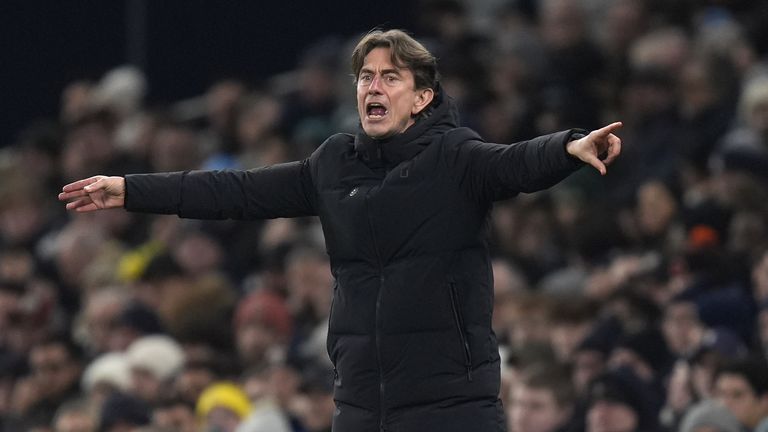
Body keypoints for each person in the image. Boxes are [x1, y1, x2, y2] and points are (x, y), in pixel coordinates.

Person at [59, 29, 622, 432]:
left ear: (421, 98)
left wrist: (569, 147)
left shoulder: (456, 155)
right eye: (365, 77)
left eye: (390, 78)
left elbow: (515, 164)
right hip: (358, 404)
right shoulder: (332, 163)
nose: (372, 87)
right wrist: (130, 188)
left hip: (452, 404)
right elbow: (235, 191)